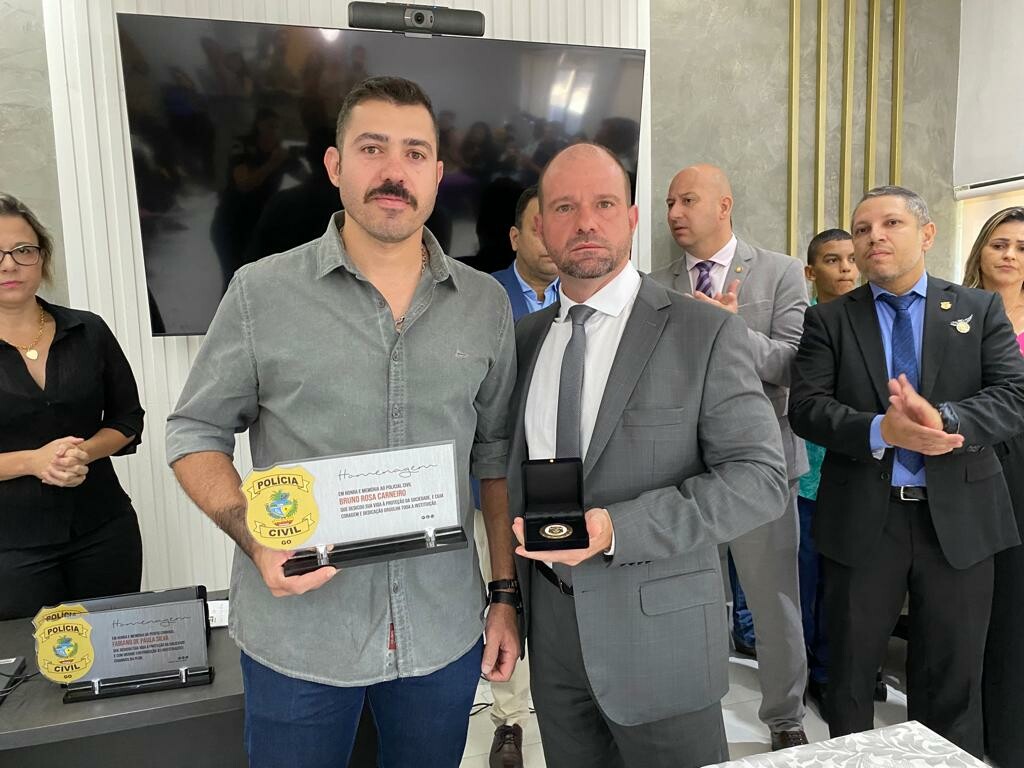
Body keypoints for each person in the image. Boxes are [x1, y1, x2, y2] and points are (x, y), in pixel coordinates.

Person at [166, 77, 520, 768]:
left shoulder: (484, 305)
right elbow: (193, 431)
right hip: (301, 635)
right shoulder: (261, 293)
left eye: (415, 153)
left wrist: (504, 595)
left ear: (437, 174)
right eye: (372, 148)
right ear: (334, 165)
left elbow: (493, 454)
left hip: (440, 630)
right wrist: (252, 535)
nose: (394, 171)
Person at [507, 142, 789, 768]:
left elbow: (760, 479)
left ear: (632, 218)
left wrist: (617, 527)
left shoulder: (703, 331)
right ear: (541, 227)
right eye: (565, 207)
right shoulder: (524, 340)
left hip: (662, 639)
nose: (586, 222)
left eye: (605, 204)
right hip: (554, 639)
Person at [789, 186, 1024, 757]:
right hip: (864, 521)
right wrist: (881, 430)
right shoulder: (828, 319)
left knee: (951, 677)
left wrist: (946, 418)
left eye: (891, 223)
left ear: (927, 234)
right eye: (862, 229)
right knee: (850, 675)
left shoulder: (976, 310)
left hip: (960, 521)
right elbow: (808, 408)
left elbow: (1013, 395)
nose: (874, 237)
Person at [652, 163, 810, 750]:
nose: (675, 213)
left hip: (761, 467)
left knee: (773, 602)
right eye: (669, 203)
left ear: (724, 206)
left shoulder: (780, 272)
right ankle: (693, 711)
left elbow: (795, 365)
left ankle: (786, 718)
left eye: (687, 200)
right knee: (692, 601)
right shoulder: (654, 283)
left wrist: (731, 330)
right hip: (681, 470)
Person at [0, 193, 145, 620]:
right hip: (10, 549)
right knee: (28, 660)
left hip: (104, 530)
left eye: (23, 250)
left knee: (113, 649)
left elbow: (127, 418)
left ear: (42, 258)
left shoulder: (88, 330)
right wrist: (34, 462)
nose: (9, 265)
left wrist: (83, 452)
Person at [475, 184, 556, 768]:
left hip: (565, 484)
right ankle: (510, 720)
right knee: (504, 597)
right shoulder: (482, 299)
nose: (552, 237)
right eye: (538, 225)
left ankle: (569, 704)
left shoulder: (585, 298)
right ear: (515, 237)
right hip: (497, 483)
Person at [961, 206, 1024, 767]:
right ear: (980, 249)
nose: (1009, 255)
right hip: (965, 468)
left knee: (1013, 610)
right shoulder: (951, 311)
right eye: (1000, 243)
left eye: (1022, 248)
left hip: (1021, 474)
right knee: (965, 609)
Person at [798, 228, 859, 715]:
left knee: (851, 582)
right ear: (810, 271)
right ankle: (813, 671)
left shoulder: (872, 322)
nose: (845, 269)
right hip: (806, 475)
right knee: (807, 580)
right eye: (833, 260)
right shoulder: (803, 324)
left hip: (858, 474)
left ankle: (848, 665)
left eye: (851, 259)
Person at [491, 186, 560, 320]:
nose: (551, 242)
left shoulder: (584, 294)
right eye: (540, 232)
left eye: (559, 231)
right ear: (515, 238)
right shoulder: (485, 292)